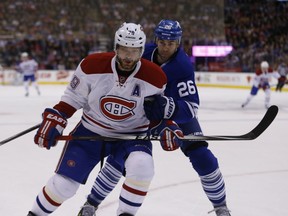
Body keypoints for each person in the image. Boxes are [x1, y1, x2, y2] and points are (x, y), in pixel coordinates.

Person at [78, 19, 232, 216]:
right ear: (156, 40)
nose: (166, 48)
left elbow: (191, 108)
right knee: (121, 155)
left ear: (178, 43)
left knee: (202, 156)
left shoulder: (183, 67)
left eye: (171, 43)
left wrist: (168, 109)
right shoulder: (142, 52)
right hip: (144, 115)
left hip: (175, 114)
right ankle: (91, 203)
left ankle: (221, 207)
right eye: (162, 42)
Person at [27, 22, 181, 216]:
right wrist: (58, 116)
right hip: (91, 132)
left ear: (141, 50)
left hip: (131, 137)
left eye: (134, 52)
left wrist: (167, 126)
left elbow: (155, 113)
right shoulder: (92, 65)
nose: (128, 57)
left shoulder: (155, 76)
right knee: (63, 185)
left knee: (142, 165)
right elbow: (73, 98)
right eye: (124, 50)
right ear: (116, 47)